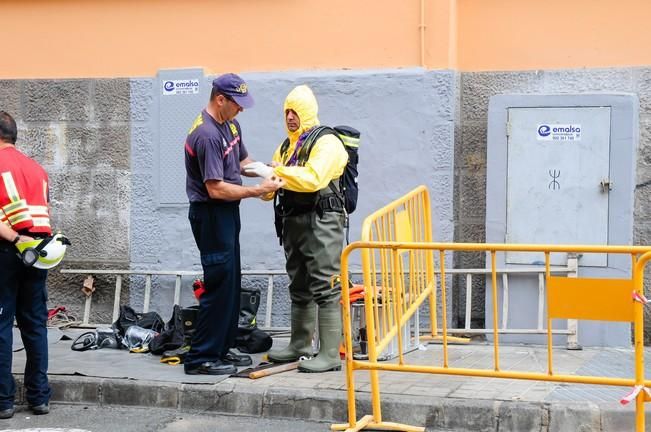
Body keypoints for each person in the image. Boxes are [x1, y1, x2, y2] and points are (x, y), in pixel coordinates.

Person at [183, 73, 283, 376]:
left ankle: (222, 349)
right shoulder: (207, 135)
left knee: (230, 285)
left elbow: (241, 163)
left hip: (227, 214)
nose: (241, 110)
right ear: (220, 99)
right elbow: (215, 188)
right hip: (211, 213)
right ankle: (200, 358)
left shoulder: (230, 125)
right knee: (217, 286)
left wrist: (267, 169)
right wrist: (258, 191)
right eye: (237, 104)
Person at [245, 85, 348, 373]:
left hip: (321, 221)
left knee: (326, 285)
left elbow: (314, 178)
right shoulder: (287, 146)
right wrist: (264, 180)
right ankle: (300, 345)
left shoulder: (327, 142)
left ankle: (328, 353)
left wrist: (275, 172)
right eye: (287, 112)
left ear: (307, 112)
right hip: (294, 221)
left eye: (296, 112)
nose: (290, 117)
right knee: (299, 285)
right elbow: (274, 185)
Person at [0, 111, 53, 418]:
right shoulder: (37, 169)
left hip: (7, 249)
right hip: (37, 252)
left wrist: (12, 237)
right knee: (35, 326)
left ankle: (4, 401)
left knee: (2, 326)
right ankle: (39, 397)